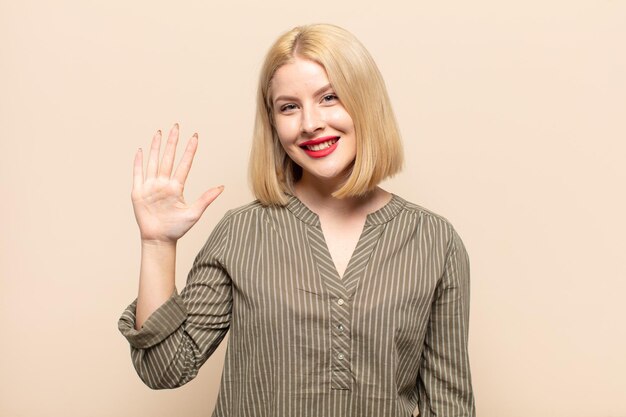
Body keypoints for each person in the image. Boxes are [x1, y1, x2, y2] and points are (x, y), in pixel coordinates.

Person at [118, 23, 475, 417]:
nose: (310, 123)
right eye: (289, 106)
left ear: (366, 102)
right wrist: (157, 244)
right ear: (273, 123)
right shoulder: (241, 232)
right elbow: (164, 367)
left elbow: (450, 404)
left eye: (329, 98)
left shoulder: (434, 240)